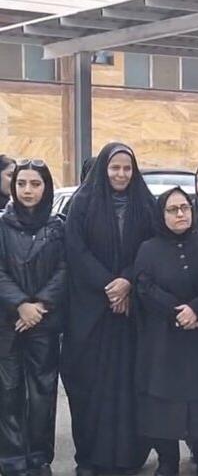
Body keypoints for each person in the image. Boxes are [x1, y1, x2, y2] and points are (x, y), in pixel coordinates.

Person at [62, 142, 155, 476]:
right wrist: (109, 285)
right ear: (104, 168)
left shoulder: (145, 204)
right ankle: (89, 458)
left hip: (131, 313)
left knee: (129, 385)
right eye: (115, 167)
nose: (121, 174)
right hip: (91, 313)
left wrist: (128, 280)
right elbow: (75, 250)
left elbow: (151, 247)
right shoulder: (82, 203)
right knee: (90, 386)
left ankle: (128, 456)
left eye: (127, 168)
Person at [134, 187, 198, 476]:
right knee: (163, 402)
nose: (180, 214)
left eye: (185, 207)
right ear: (161, 215)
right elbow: (144, 287)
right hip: (163, 340)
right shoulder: (148, 249)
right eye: (172, 210)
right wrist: (177, 313)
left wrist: (197, 309)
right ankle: (167, 459)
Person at [0, 160, 65, 476]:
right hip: (7, 322)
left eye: (35, 184)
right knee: (8, 391)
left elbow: (65, 268)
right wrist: (20, 305)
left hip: (44, 322)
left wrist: (39, 305)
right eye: (22, 183)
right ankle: (12, 458)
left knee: (42, 393)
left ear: (46, 187)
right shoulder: (2, 225)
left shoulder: (58, 226)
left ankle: (40, 456)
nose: (28, 190)